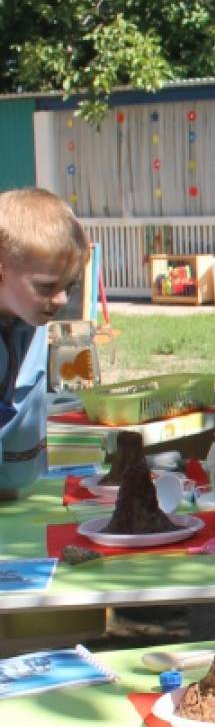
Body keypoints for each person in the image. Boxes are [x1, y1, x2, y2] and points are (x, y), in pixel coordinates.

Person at [0, 188, 88, 499]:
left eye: (70, 285)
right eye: (47, 286)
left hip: (13, 494)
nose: (62, 299)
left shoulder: (29, 319)